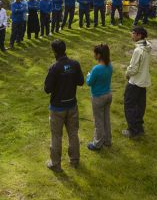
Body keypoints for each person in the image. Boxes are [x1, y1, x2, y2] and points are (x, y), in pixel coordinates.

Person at [43, 39, 84, 171]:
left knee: (56, 136)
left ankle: (55, 164)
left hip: (57, 108)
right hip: (72, 105)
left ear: (54, 51)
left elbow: (47, 89)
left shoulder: (54, 68)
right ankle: (75, 160)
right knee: (73, 134)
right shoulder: (75, 64)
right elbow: (81, 82)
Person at [122, 26, 152, 138]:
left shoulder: (138, 50)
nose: (132, 34)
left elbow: (133, 69)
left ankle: (133, 130)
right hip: (143, 81)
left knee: (129, 105)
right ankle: (139, 127)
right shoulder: (148, 46)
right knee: (140, 105)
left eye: (133, 33)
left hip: (135, 82)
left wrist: (127, 73)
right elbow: (147, 43)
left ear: (139, 35)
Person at [86, 44, 113, 151]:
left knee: (98, 121)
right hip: (108, 95)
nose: (94, 55)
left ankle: (97, 144)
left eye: (95, 53)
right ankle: (107, 140)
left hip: (98, 97)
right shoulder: (110, 65)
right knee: (106, 119)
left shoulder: (96, 68)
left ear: (99, 55)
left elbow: (89, 82)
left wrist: (88, 75)